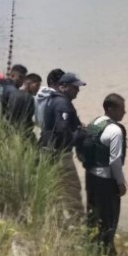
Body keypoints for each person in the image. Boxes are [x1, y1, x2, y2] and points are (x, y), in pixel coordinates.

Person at [81, 93, 128, 256]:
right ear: (111, 109)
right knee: (109, 218)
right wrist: (121, 183)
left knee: (93, 213)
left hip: (91, 176)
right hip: (106, 181)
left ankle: (91, 247)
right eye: (122, 109)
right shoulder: (115, 130)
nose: (125, 112)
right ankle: (107, 252)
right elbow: (115, 160)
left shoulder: (96, 122)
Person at [39, 72, 86, 219]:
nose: (78, 90)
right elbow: (63, 131)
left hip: (49, 152)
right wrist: (81, 134)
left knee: (55, 191)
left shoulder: (53, 100)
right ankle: (78, 227)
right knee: (72, 190)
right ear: (63, 86)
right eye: (75, 87)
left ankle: (56, 224)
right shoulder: (62, 103)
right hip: (60, 155)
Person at [6, 73, 42, 142]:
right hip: (23, 134)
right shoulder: (28, 98)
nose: (38, 88)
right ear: (28, 83)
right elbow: (27, 119)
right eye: (37, 85)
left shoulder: (14, 93)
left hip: (10, 132)